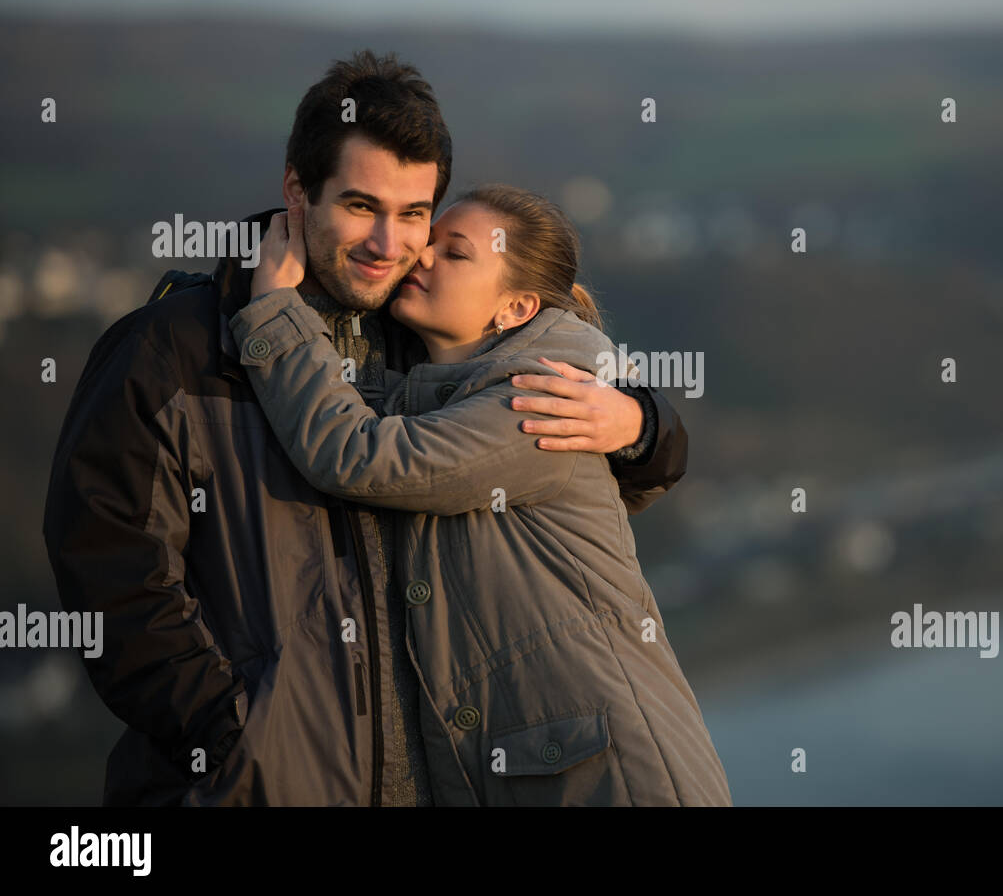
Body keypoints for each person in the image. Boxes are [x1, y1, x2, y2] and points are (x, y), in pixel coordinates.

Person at [41, 51, 689, 805]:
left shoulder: (419, 338)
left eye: (414, 215)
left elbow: (573, 424)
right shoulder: (173, 349)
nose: (389, 243)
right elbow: (108, 569)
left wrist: (643, 423)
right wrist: (228, 730)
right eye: (360, 206)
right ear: (297, 190)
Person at [231, 183, 731, 805]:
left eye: (456, 253)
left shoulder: (541, 394)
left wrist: (276, 312)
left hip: (612, 778)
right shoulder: (446, 388)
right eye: (430, 241)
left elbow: (361, 458)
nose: (423, 257)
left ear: (515, 307)